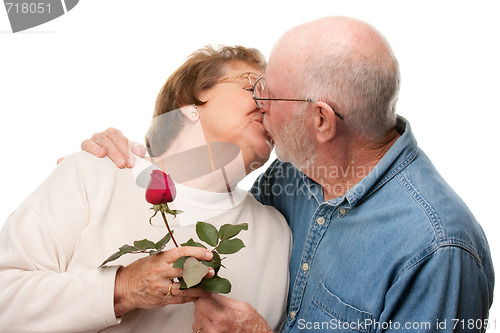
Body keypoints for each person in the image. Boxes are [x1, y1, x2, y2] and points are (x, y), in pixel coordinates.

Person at [82, 17, 494, 333]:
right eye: (253, 87)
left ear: (320, 120)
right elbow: (210, 195)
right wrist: (133, 160)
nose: (260, 105)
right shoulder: (294, 174)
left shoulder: (439, 250)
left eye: (268, 93)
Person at [0, 45, 291, 332]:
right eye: (253, 87)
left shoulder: (277, 234)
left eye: (275, 101)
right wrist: (124, 287)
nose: (268, 106)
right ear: (190, 103)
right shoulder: (92, 174)